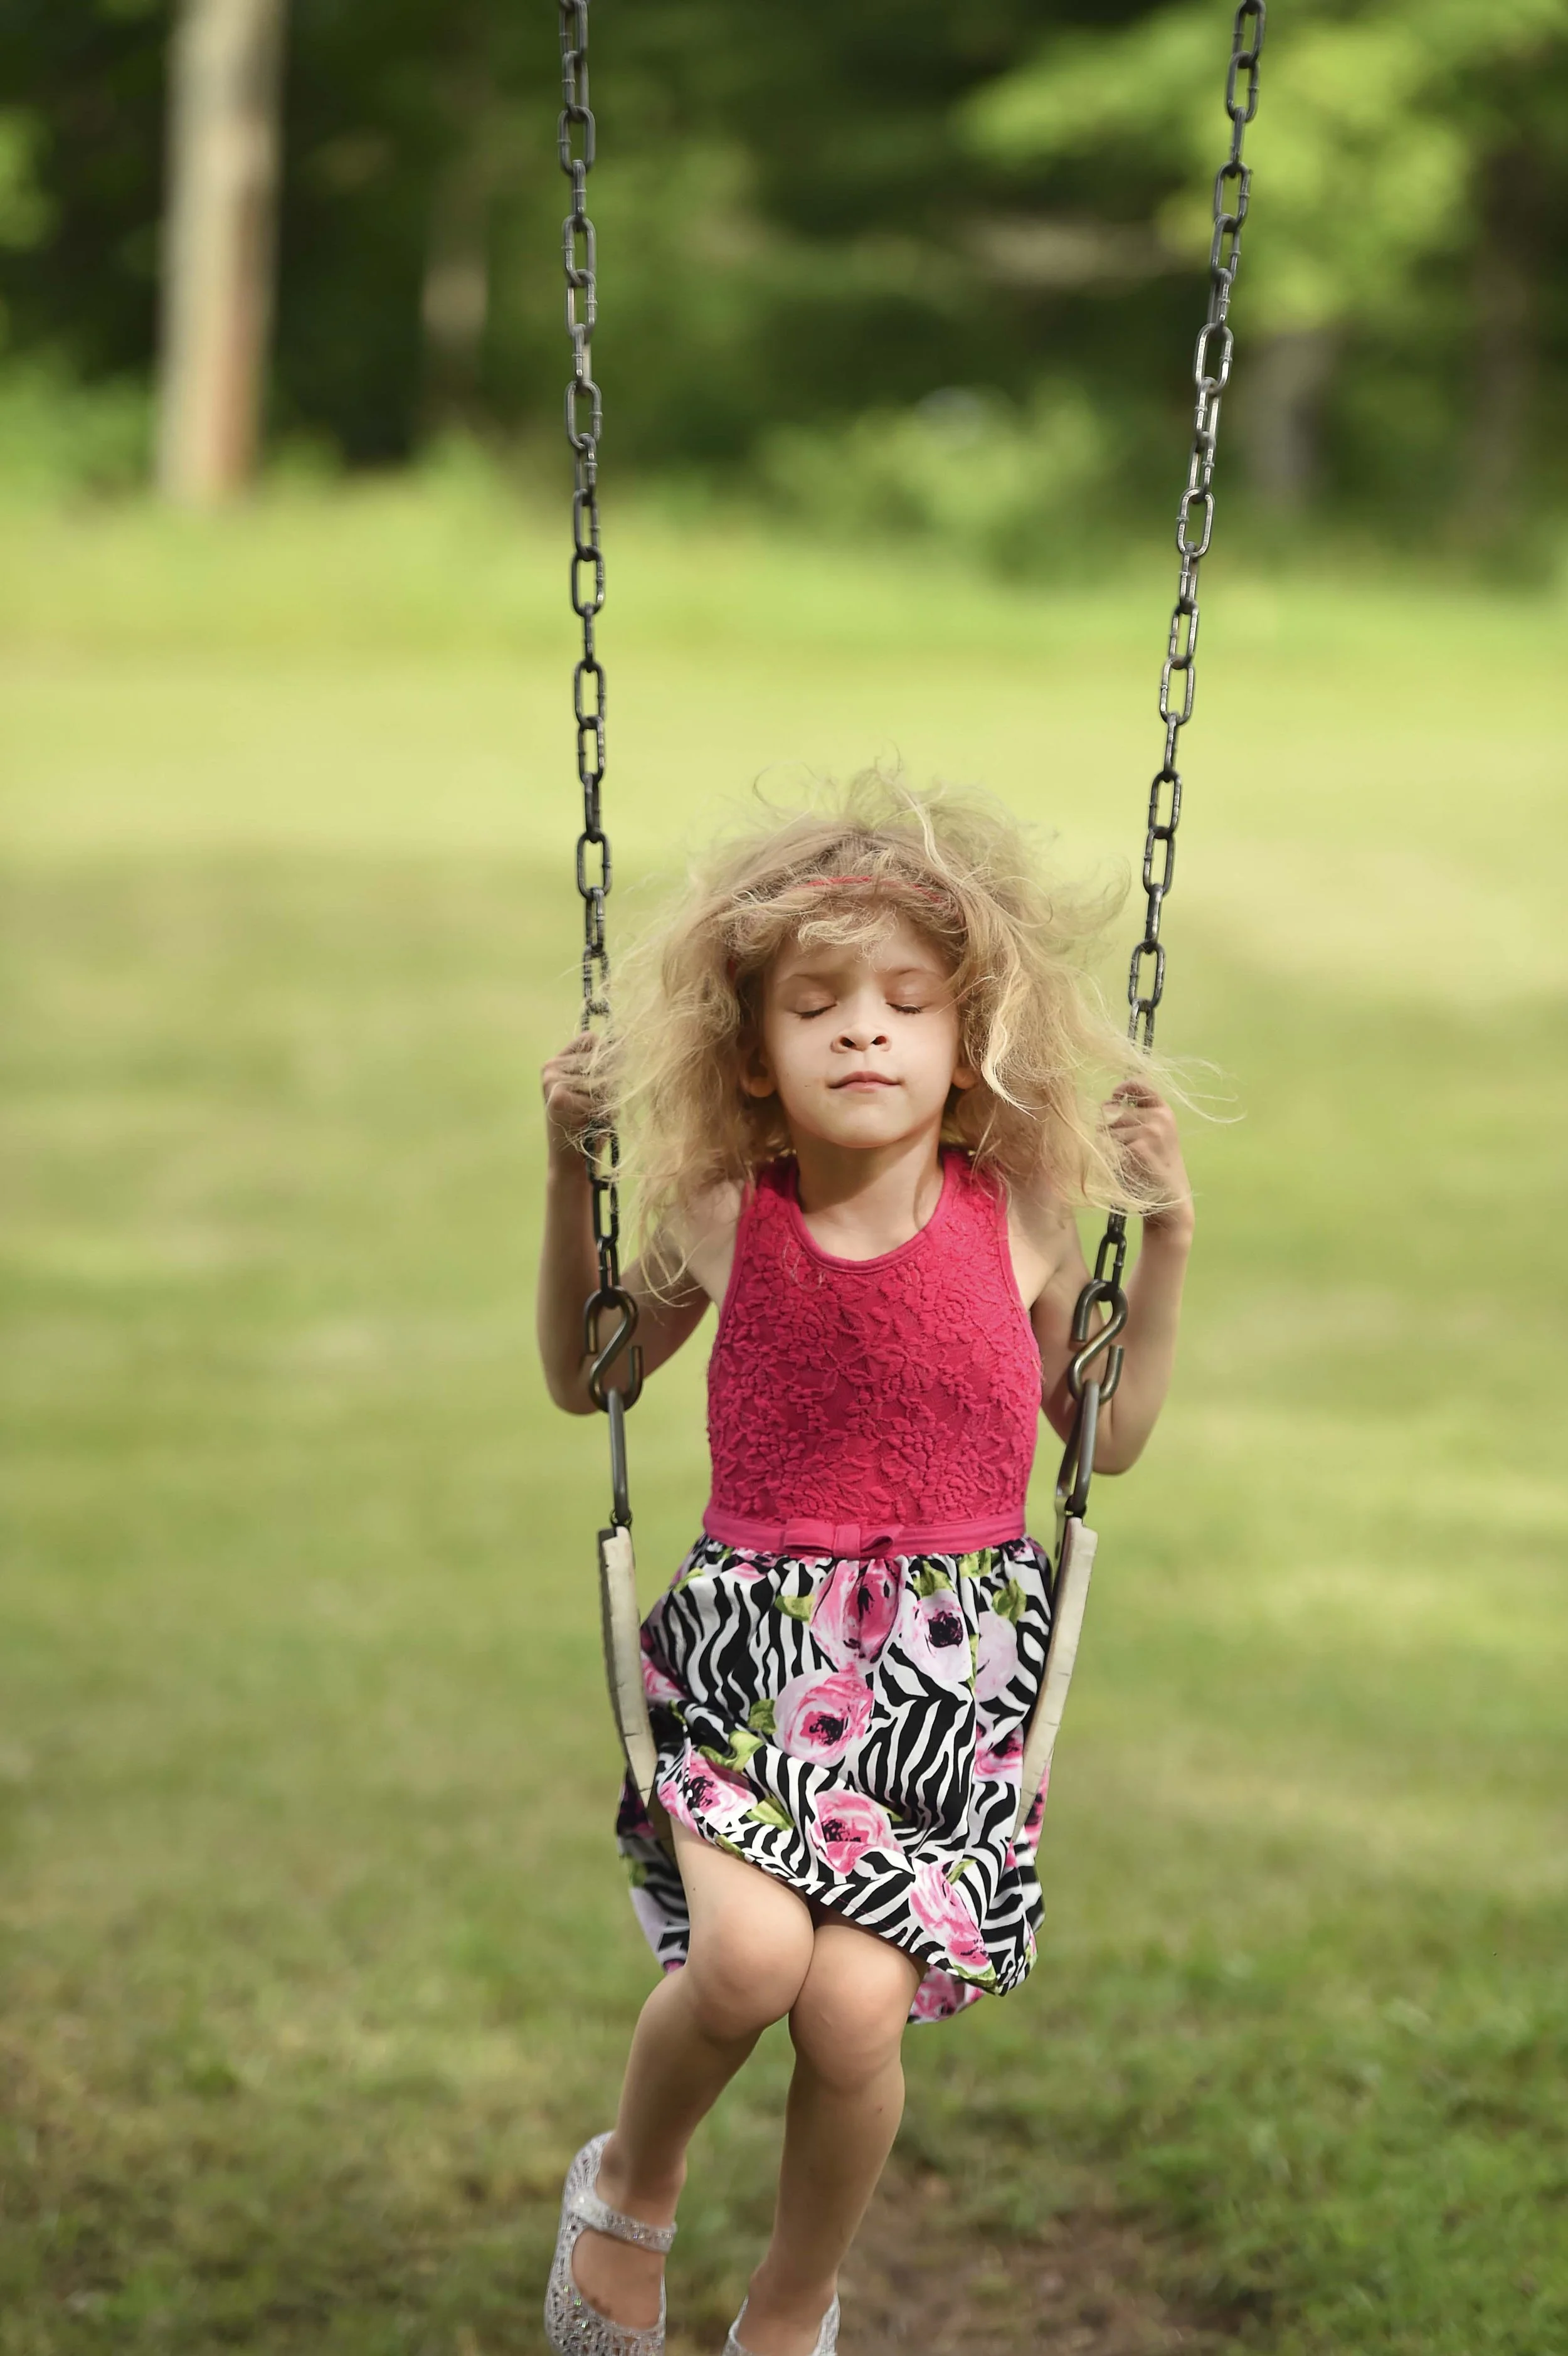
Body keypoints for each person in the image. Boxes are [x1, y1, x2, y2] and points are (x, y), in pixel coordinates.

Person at [536, 778, 1194, 2356]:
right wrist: (573, 1173)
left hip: (948, 1683)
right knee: (750, 1964)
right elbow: (588, 1375)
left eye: (906, 1002)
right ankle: (628, 2192)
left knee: (849, 2010)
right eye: (815, 1004)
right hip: (759, 1666)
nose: (862, 1033)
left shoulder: (1020, 1215)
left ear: (965, 1040)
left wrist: (1163, 1246)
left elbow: (1100, 1439)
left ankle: (793, 2300)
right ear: (750, 1050)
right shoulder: (719, 1212)